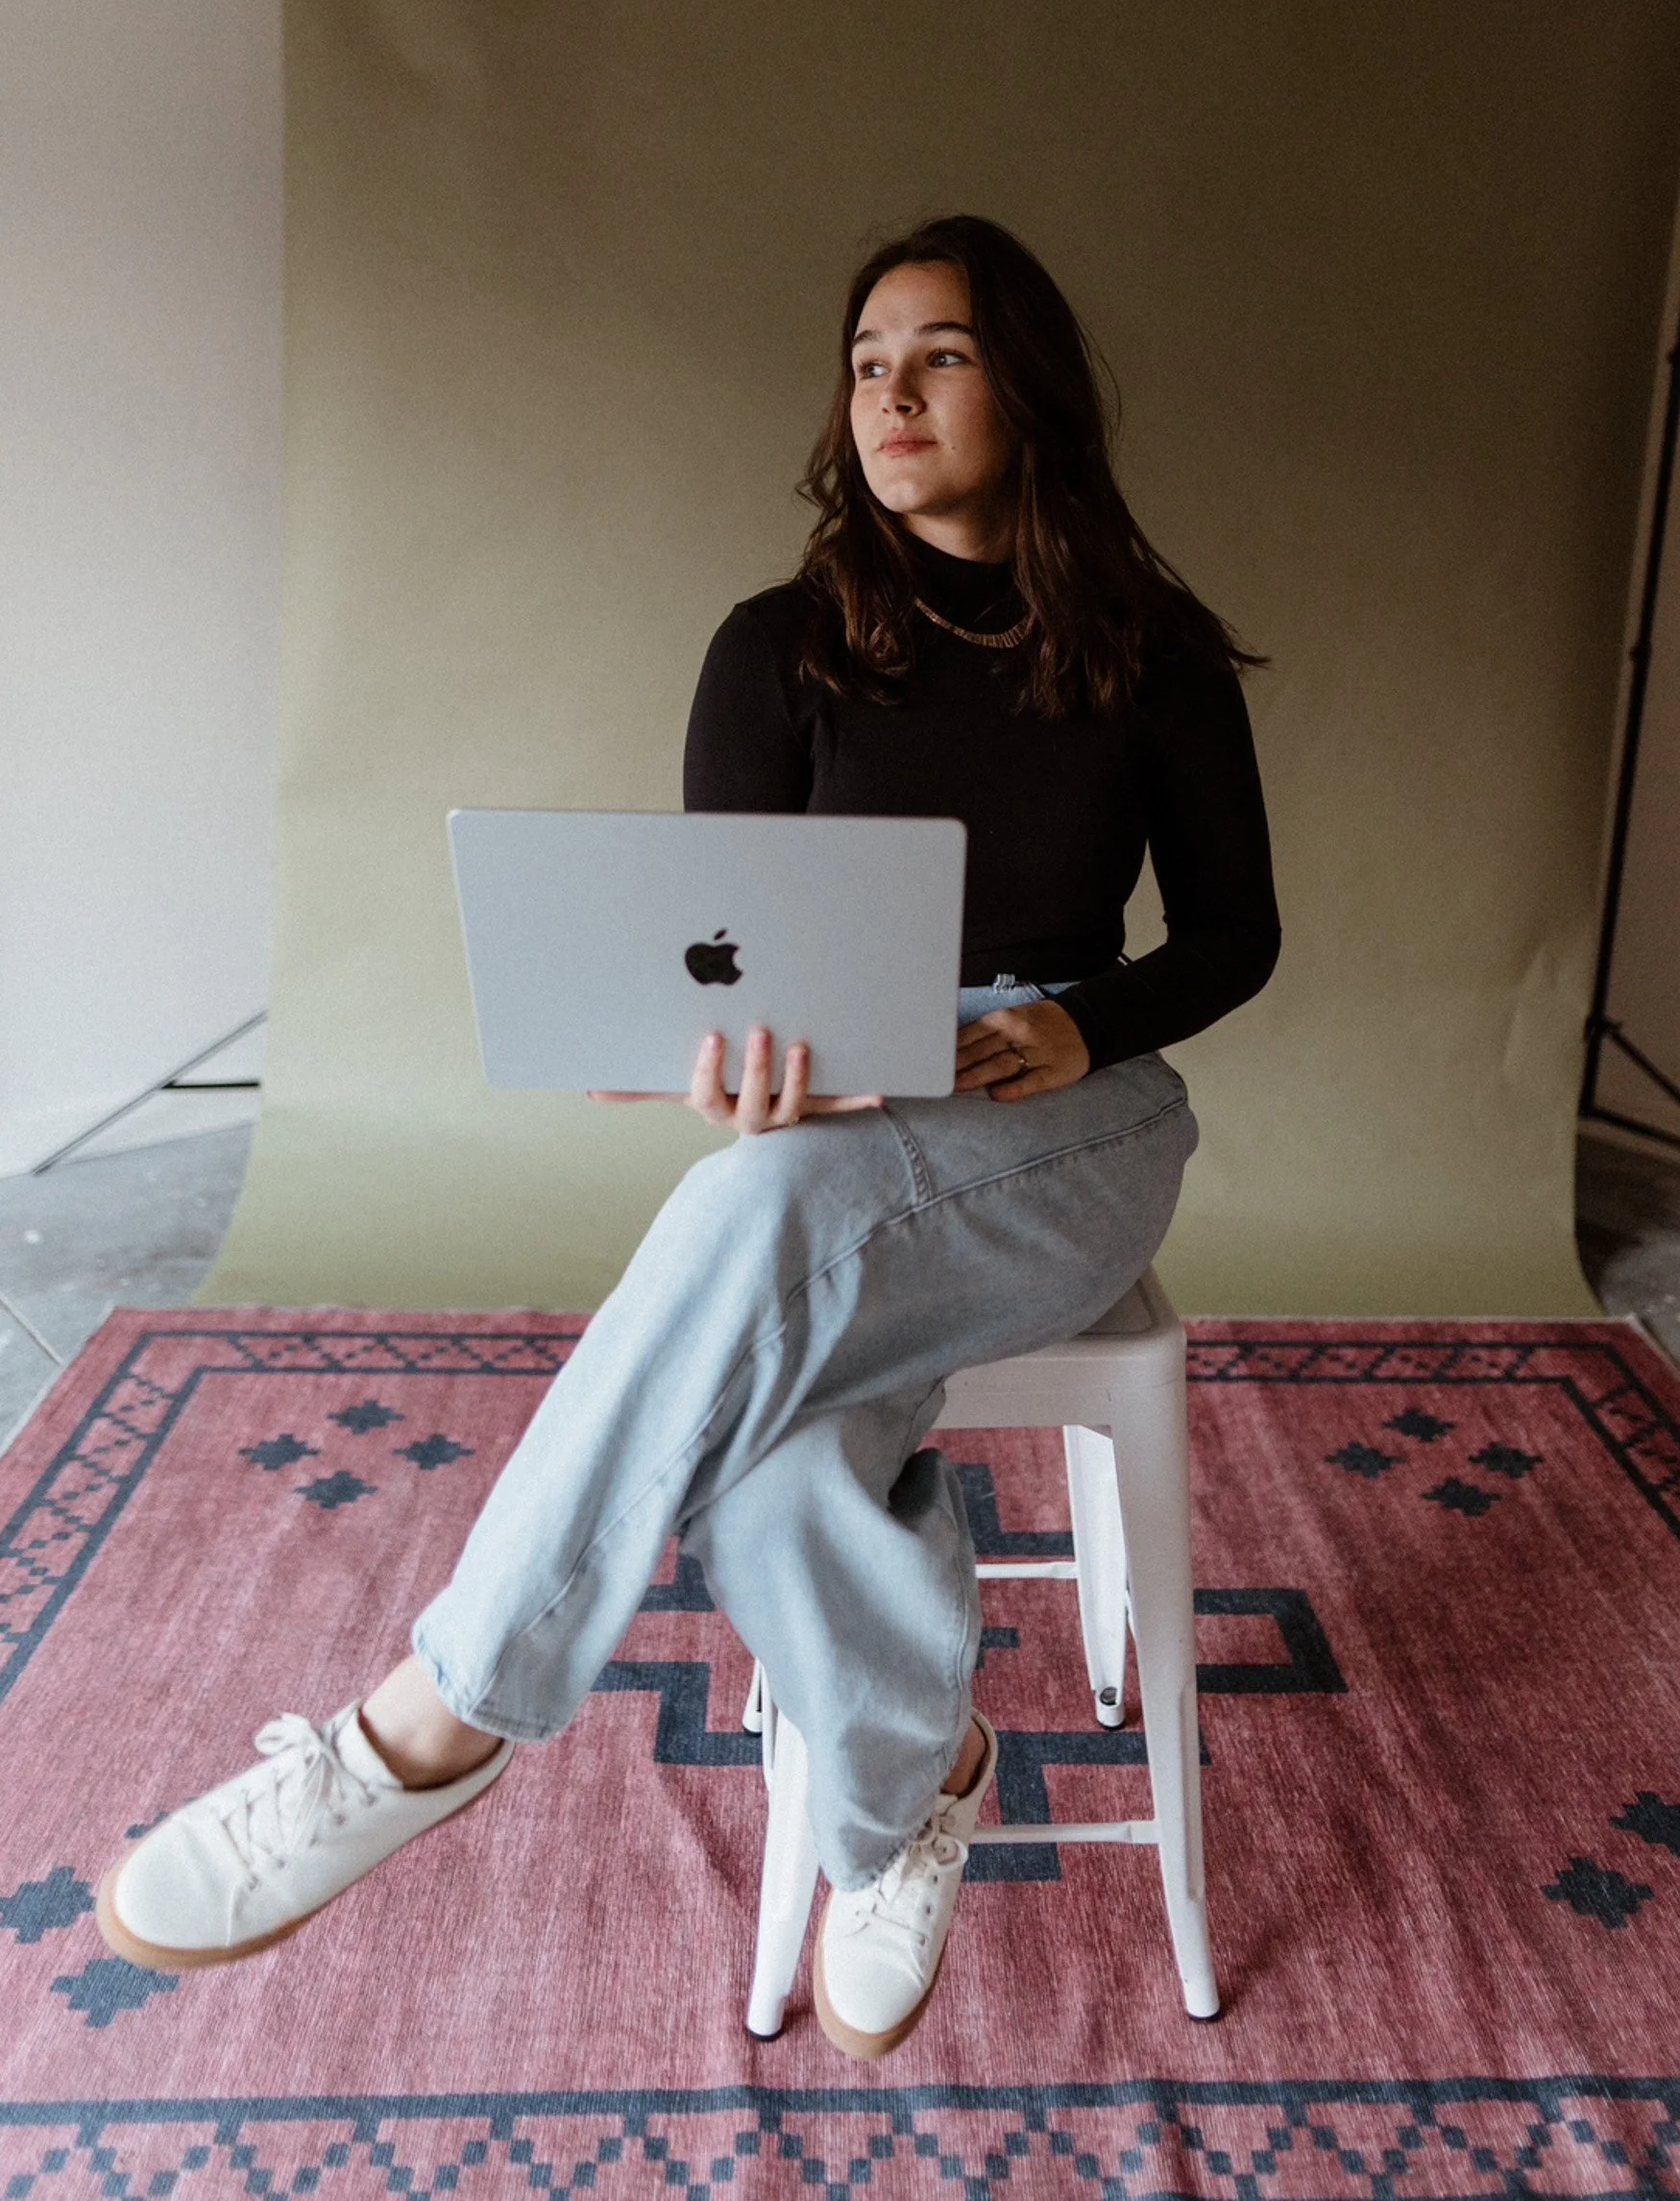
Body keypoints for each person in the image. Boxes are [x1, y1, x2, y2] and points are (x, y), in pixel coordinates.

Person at [96, 215, 1279, 2060]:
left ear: (1026, 384)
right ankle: (921, 1794)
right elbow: (712, 947)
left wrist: (1078, 1021)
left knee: (772, 1222)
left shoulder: (1153, 651)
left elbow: (1234, 937)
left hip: (1074, 1116)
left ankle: (430, 1723)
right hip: (840, 1129)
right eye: (868, 357)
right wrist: (731, 1072)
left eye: (942, 353)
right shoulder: (779, 647)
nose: (890, 390)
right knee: (770, 1429)